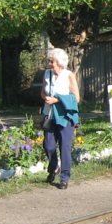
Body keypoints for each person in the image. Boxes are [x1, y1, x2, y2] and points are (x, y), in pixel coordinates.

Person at [41, 48, 81, 189]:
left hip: (65, 116)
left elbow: (76, 98)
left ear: (59, 62)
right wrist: (45, 98)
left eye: (52, 61)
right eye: (50, 61)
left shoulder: (68, 75)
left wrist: (57, 100)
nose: (50, 64)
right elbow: (43, 91)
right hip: (50, 115)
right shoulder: (47, 74)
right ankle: (54, 167)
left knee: (64, 147)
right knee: (48, 145)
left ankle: (64, 177)